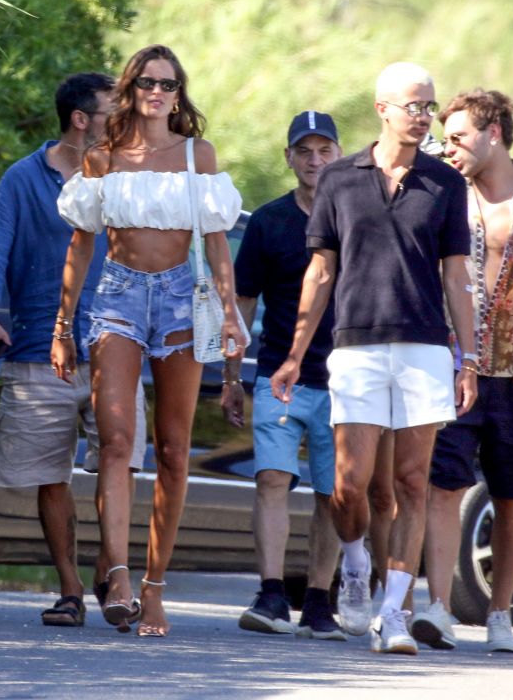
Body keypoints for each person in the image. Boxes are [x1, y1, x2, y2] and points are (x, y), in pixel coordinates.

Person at [271, 62, 478, 655]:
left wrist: (468, 358)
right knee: (349, 485)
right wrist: (293, 356)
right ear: (382, 108)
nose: (423, 116)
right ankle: (356, 561)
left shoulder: (445, 182)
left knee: (413, 482)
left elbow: (457, 275)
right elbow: (321, 271)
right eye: (413, 105)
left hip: (424, 346)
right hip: (355, 345)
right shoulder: (339, 178)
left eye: (429, 106)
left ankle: (393, 613)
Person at [51, 44, 245, 638]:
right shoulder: (103, 158)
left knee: (174, 450)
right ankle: (116, 575)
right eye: (147, 83)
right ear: (131, 90)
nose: (158, 93)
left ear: (179, 94)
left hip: (184, 302)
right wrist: (63, 326)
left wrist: (231, 316)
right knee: (114, 441)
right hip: (117, 297)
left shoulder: (198, 155)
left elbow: (216, 245)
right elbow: (81, 244)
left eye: (169, 84)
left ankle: (154, 588)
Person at [0, 72, 146, 627]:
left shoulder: (128, 178)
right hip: (38, 347)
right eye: (114, 112)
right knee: (49, 476)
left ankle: (114, 573)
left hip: (118, 345)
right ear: (80, 119)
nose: (126, 122)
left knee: (118, 462)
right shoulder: (19, 179)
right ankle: (69, 588)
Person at [411, 90, 513, 654]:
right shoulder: (448, 198)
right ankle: (439, 607)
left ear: (493, 133)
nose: (449, 149)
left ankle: (500, 615)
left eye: (458, 137)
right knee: (443, 486)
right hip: (454, 368)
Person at [222, 111, 346, 639]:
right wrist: (232, 374)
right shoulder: (269, 221)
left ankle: (320, 601)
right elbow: (243, 302)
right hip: (279, 375)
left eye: (324, 151)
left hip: (344, 377)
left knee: (332, 494)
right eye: (304, 152)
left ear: (339, 155)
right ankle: (271, 593)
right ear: (289, 157)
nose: (314, 160)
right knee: (271, 479)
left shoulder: (356, 218)